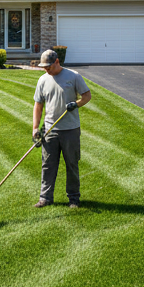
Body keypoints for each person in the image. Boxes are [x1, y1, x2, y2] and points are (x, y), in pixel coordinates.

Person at [32, 49, 91, 208]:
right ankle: (45, 197)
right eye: (44, 67)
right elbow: (38, 106)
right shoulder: (43, 80)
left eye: (48, 67)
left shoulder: (74, 76)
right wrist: (35, 128)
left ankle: (73, 198)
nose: (46, 70)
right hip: (50, 130)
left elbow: (87, 96)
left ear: (57, 62)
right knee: (48, 165)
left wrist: (76, 104)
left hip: (70, 129)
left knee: (72, 164)